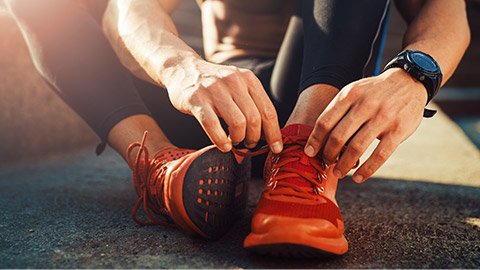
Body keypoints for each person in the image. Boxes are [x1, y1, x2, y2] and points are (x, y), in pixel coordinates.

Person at [5, 0, 469, 257]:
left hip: (312, 99)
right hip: (218, 116)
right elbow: (128, 10)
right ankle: (159, 165)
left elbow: (446, 12)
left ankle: (300, 161)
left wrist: (412, 77)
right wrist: (181, 67)